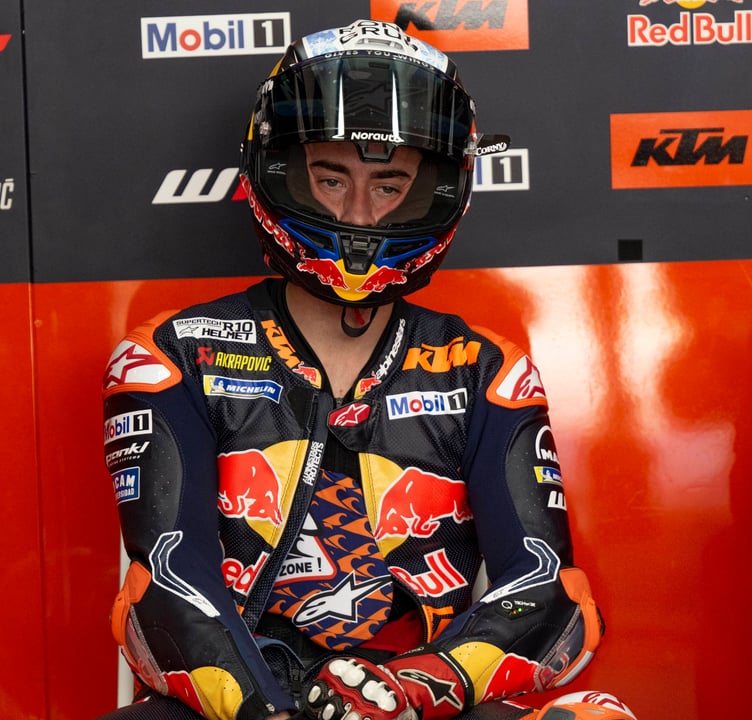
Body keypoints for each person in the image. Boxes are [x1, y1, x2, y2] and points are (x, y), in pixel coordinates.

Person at [100, 20, 634, 720]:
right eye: (331, 178)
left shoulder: (485, 369)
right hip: (244, 705)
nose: (357, 213)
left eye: (389, 184)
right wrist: (272, 712)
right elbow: (167, 590)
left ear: (436, 190)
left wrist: (403, 693)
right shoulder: (171, 356)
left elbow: (551, 594)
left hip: (415, 700)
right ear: (280, 172)